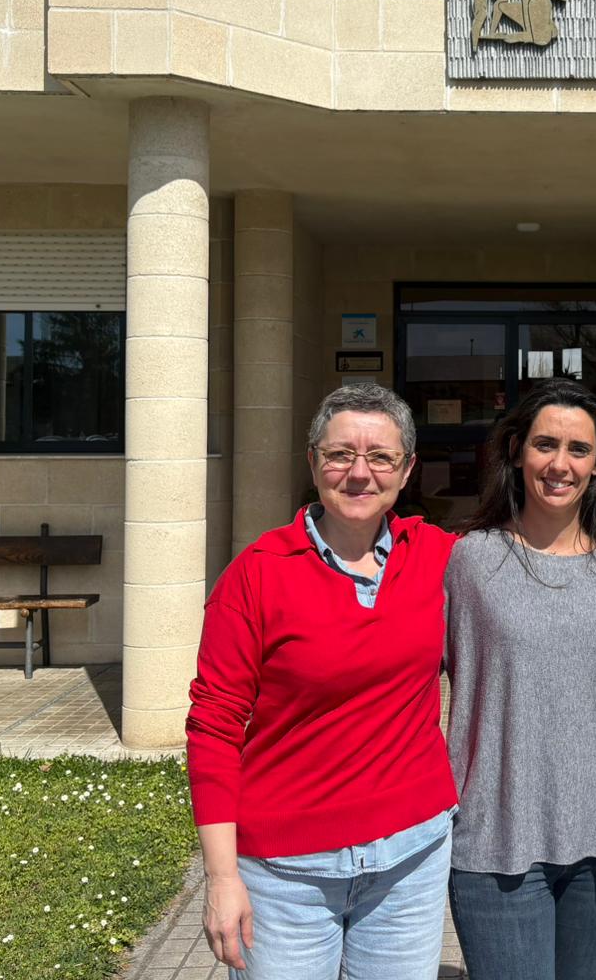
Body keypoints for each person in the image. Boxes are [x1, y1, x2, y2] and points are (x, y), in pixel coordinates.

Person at [185, 384, 459, 980]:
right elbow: (213, 727)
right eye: (340, 455)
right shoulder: (257, 575)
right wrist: (222, 877)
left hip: (411, 859)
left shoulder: (437, 557)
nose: (359, 473)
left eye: (381, 457)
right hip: (285, 875)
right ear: (313, 463)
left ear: (407, 469)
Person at [444, 379, 596, 980]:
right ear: (516, 452)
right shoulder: (471, 561)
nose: (561, 464)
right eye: (545, 445)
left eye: (579, 449)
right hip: (495, 837)